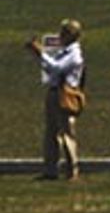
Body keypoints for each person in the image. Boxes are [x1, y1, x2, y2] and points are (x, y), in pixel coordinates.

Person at [24, 19, 85, 180]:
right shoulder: (64, 51)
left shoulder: (74, 54)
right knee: (51, 133)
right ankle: (50, 170)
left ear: (71, 35)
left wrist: (40, 53)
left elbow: (57, 68)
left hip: (65, 95)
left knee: (66, 133)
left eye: (64, 32)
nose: (60, 35)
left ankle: (72, 170)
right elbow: (51, 68)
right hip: (53, 93)